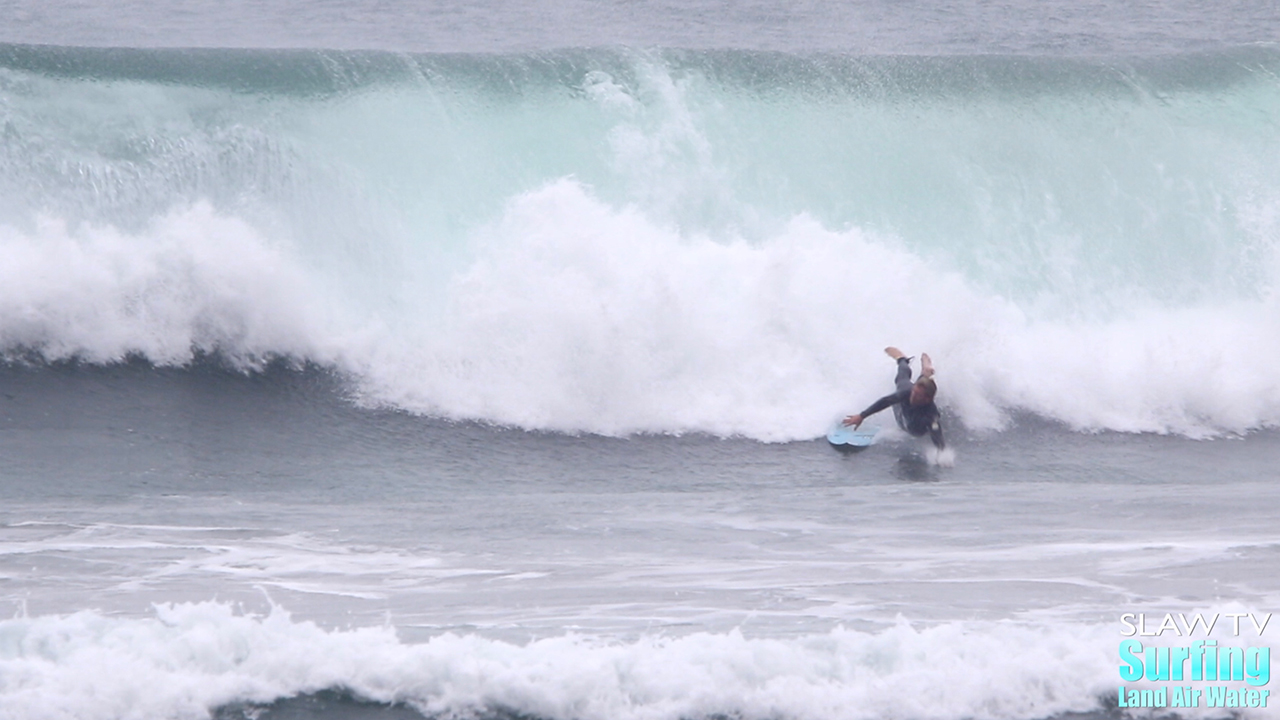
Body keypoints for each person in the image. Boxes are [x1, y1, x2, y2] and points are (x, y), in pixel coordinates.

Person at [843, 347, 945, 450]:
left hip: (916, 425)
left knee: (924, 427)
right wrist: (861, 416)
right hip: (902, 411)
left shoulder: (931, 412)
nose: (913, 396)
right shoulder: (907, 392)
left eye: (917, 395)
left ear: (927, 399)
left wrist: (941, 453)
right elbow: (885, 401)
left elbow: (937, 434)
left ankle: (926, 372)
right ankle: (902, 359)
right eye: (914, 392)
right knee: (902, 378)